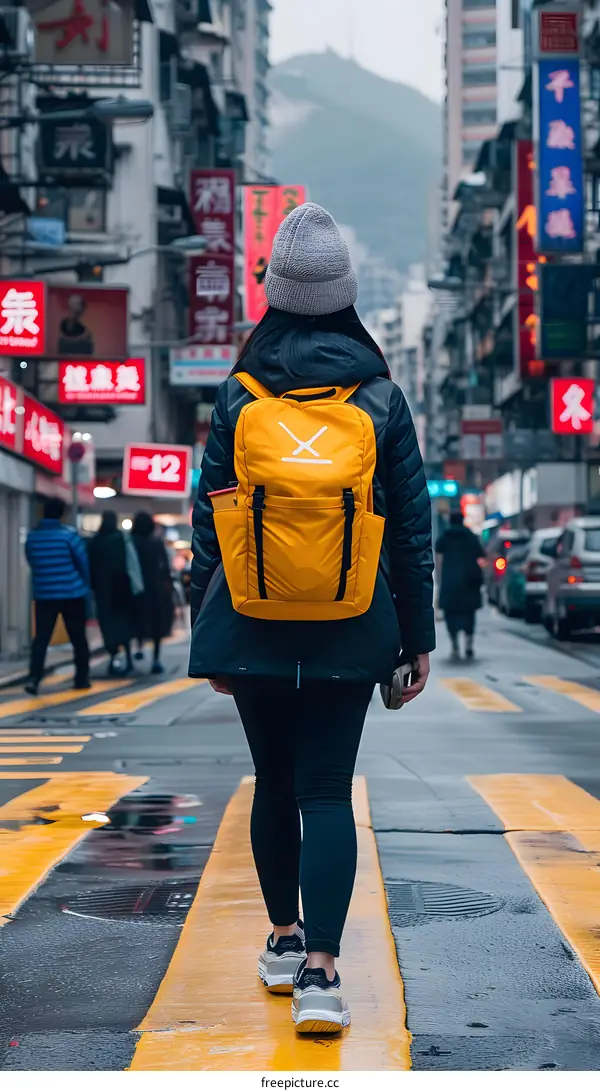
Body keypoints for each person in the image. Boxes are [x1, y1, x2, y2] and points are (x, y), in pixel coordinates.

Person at [189, 203, 435, 1033]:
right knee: (329, 790)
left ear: (275, 292)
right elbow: (410, 527)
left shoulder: (239, 391)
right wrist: (419, 639)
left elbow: (207, 521)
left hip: (254, 623)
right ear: (347, 297)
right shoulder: (380, 397)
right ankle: (324, 975)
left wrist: (208, 629)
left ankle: (284, 937)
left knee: (275, 783)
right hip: (352, 621)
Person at [25, 497, 91, 696]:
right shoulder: (69, 537)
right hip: (72, 593)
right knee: (78, 638)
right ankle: (82, 678)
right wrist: (85, 586)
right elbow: (82, 563)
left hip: (44, 594)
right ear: (62, 514)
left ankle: (34, 678)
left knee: (42, 639)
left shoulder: (32, 537)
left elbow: (31, 561)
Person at [88, 512, 142, 675]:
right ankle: (128, 658)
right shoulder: (121, 539)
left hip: (103, 591)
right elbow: (131, 563)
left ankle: (113, 657)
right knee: (123, 624)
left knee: (107, 625)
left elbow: (90, 566)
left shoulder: (95, 541)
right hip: (122, 589)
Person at [435, 510, 485, 662]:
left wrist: (439, 580)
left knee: (451, 615)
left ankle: (455, 645)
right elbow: (481, 556)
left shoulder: (444, 538)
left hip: (450, 583)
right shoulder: (471, 537)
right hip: (469, 583)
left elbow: (439, 560)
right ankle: (469, 644)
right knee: (469, 614)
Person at [131, 512, 174, 674]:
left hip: (135, 587)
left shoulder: (132, 542)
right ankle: (156, 660)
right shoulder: (157, 543)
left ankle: (138, 648)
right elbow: (165, 567)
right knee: (156, 623)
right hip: (155, 588)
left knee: (136, 619)